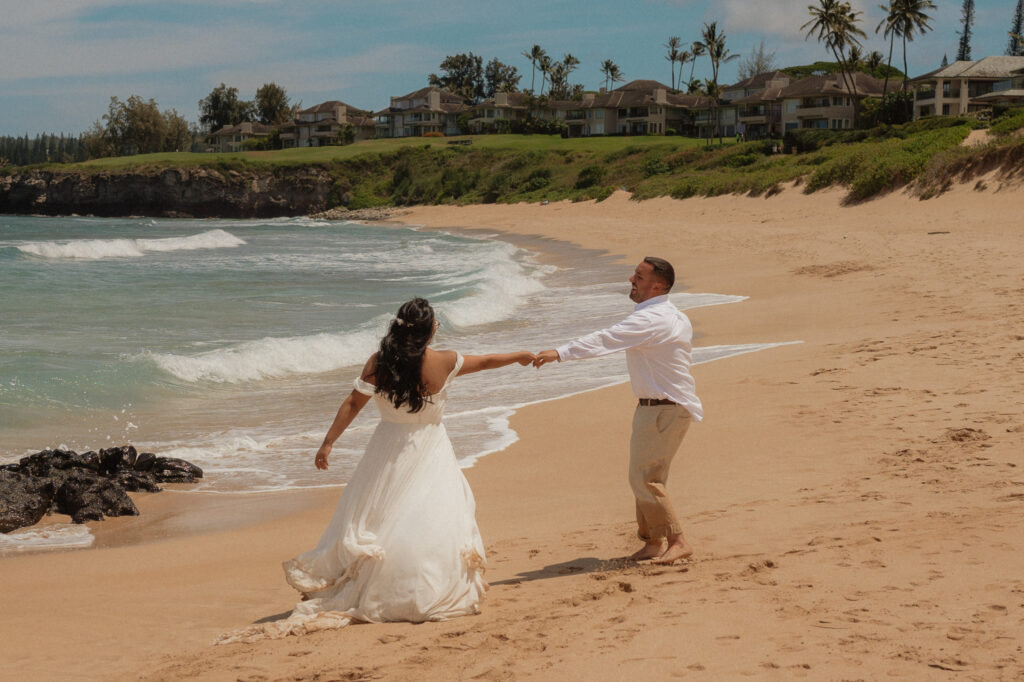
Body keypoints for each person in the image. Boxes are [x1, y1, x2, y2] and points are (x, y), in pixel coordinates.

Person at [219, 298, 535, 643]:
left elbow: (353, 403)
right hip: (430, 447)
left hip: (386, 450)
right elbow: (487, 361)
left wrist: (327, 443)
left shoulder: (379, 363)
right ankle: (423, 587)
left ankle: (385, 584)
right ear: (430, 330)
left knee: (380, 518)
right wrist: (519, 356)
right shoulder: (446, 360)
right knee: (430, 516)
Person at [533, 257, 702, 565]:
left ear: (658, 286)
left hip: (661, 409)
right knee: (648, 477)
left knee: (644, 479)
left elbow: (605, 340)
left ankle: (677, 540)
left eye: (639, 276)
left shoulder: (650, 320)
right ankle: (653, 542)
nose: (631, 279)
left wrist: (559, 353)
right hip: (669, 407)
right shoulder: (674, 315)